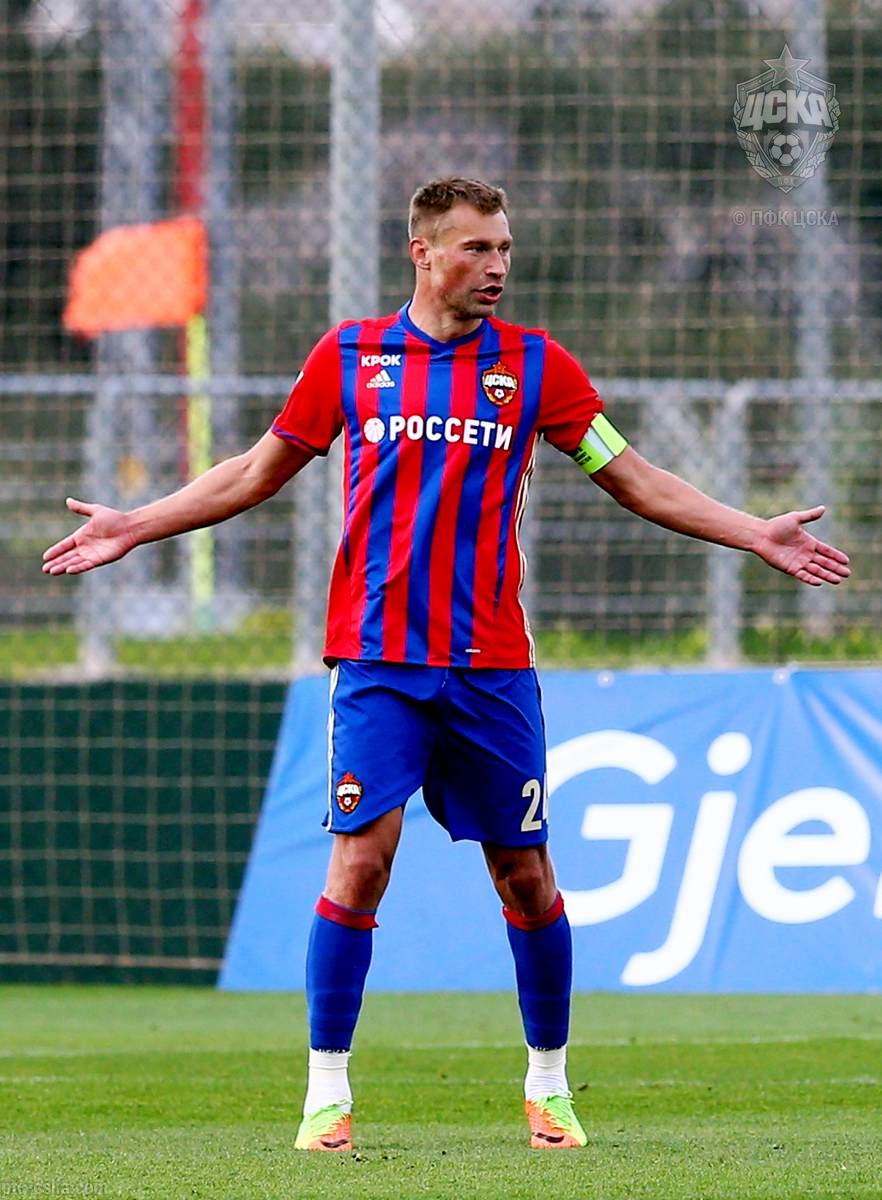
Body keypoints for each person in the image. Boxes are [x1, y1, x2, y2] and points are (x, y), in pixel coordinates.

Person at [43, 177, 850, 1153]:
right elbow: (255, 471)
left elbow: (633, 477)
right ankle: (326, 1095)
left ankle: (548, 1085)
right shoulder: (350, 357)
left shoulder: (536, 367)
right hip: (378, 662)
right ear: (422, 252)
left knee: (527, 876)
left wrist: (752, 531)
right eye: (477, 248)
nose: (497, 265)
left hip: (491, 669)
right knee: (360, 862)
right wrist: (139, 523)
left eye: (504, 247)